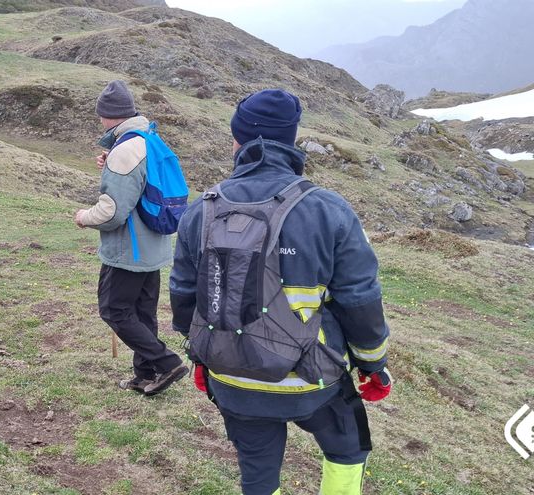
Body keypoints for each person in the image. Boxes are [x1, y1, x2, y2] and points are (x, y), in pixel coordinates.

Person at [169, 89, 391, 495]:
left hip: (232, 378)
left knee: (257, 471)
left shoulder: (201, 209)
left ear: (238, 141)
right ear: (290, 140)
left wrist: (199, 357)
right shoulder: (328, 210)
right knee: (348, 449)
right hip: (313, 382)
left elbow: (185, 295)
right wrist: (373, 365)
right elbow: (360, 300)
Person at [74, 80, 188, 397]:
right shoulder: (147, 138)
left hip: (129, 251)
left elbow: (112, 212)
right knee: (142, 314)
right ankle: (144, 375)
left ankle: (168, 363)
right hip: (152, 247)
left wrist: (84, 217)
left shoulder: (125, 150)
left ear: (108, 115)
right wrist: (111, 160)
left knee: (114, 310)